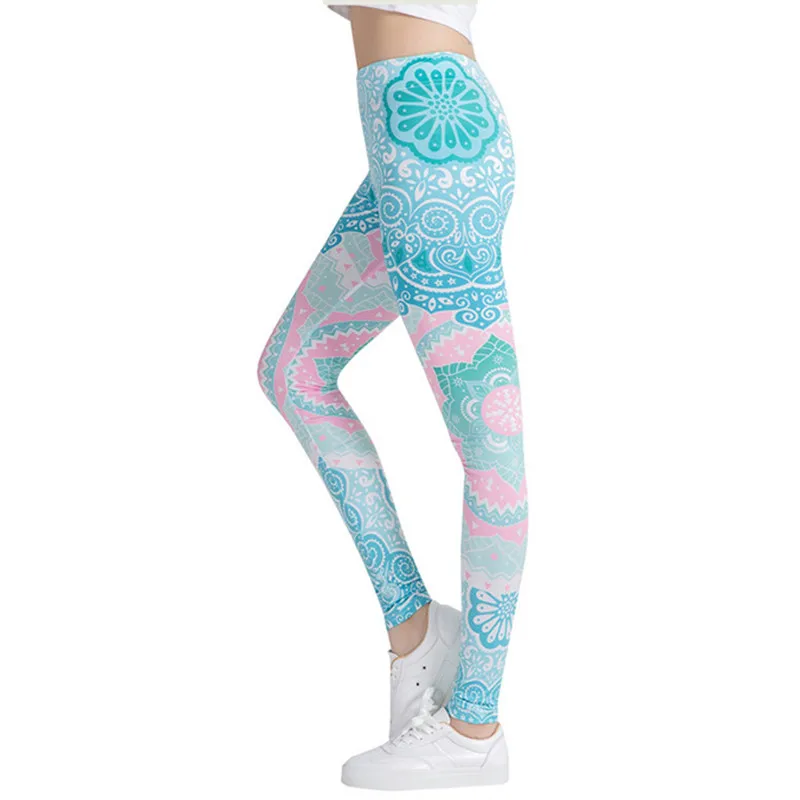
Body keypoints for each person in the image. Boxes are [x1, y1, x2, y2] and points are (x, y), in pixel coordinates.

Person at [258, 3, 528, 789]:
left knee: (491, 455)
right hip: (405, 142)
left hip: (435, 152)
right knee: (293, 369)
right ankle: (416, 628)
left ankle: (474, 725)